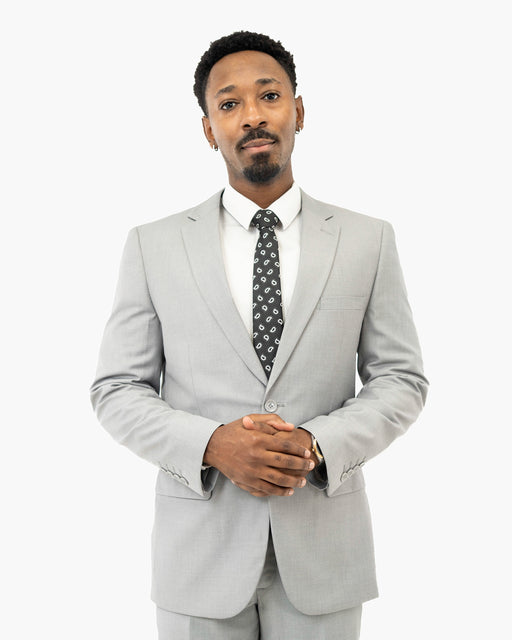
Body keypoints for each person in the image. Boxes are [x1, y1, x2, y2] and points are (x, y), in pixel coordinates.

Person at [90, 30, 428, 640]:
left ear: (298, 111)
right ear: (208, 128)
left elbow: (400, 379)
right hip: (198, 555)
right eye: (229, 103)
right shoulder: (152, 245)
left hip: (325, 554)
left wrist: (316, 444)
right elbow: (117, 389)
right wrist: (212, 444)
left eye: (269, 96)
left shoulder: (367, 239)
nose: (252, 115)